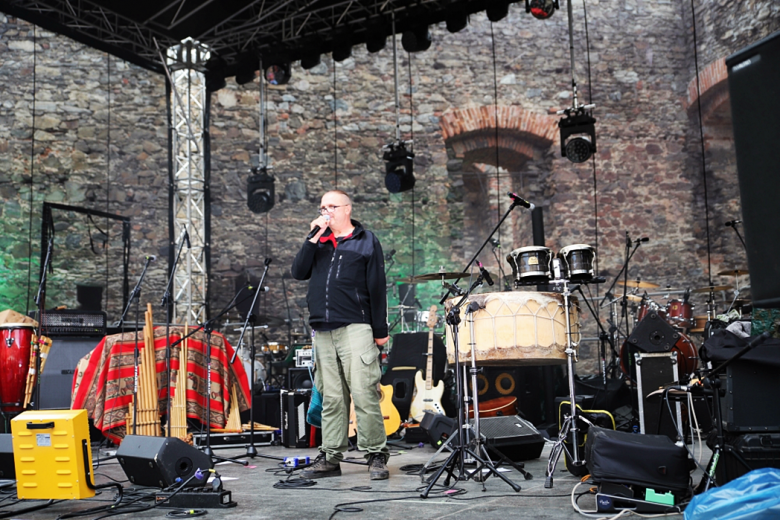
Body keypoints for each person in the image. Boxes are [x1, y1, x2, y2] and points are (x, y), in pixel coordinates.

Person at [291, 190, 391, 480]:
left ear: (347, 209)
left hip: (355, 326)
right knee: (331, 397)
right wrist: (312, 236)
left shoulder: (366, 240)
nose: (326, 212)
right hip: (322, 329)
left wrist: (380, 331)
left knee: (363, 392)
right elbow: (298, 272)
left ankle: (376, 454)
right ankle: (331, 456)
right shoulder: (318, 242)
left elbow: (377, 286)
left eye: (331, 206)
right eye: (322, 207)